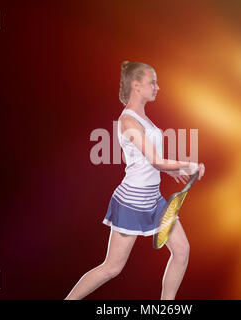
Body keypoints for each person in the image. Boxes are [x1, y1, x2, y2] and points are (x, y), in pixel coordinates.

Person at [65, 61, 205, 300]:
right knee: (112, 268)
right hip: (131, 202)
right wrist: (189, 165)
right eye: (153, 82)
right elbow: (155, 160)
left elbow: (145, 161)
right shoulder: (128, 121)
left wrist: (171, 172)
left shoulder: (143, 118)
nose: (157, 87)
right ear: (136, 85)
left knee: (182, 251)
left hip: (153, 199)